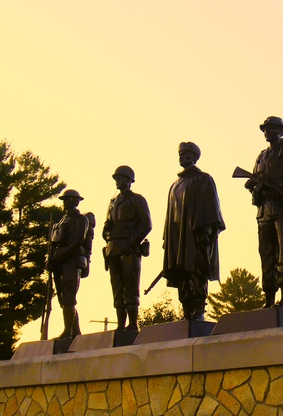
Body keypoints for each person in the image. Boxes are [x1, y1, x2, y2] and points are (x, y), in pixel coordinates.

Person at [244, 116, 283, 309]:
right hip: (265, 211)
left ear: (281, 131)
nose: (267, 132)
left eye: (271, 129)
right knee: (267, 256)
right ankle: (269, 298)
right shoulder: (261, 156)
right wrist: (252, 186)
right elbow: (256, 179)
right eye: (265, 129)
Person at [163, 142, 225, 321]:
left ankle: (198, 309)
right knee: (180, 272)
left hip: (195, 234)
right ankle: (186, 310)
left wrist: (206, 231)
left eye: (186, 154)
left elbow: (211, 206)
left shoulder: (203, 179)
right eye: (180, 154)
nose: (182, 157)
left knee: (195, 270)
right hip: (177, 236)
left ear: (194, 157)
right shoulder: (175, 184)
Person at [102, 165, 152, 331]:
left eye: (122, 178)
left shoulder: (137, 199)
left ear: (130, 181)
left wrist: (131, 243)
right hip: (113, 249)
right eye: (117, 178)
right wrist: (108, 235)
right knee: (117, 288)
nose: (119, 181)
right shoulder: (112, 203)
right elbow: (107, 226)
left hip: (129, 250)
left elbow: (146, 224)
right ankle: (121, 324)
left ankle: (132, 323)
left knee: (130, 287)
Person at [48, 189, 91, 339]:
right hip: (59, 263)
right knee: (63, 300)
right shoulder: (61, 221)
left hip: (72, 262)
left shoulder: (81, 219)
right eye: (64, 199)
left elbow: (77, 241)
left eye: (69, 199)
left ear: (76, 201)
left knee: (68, 298)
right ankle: (74, 331)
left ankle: (68, 331)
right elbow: (54, 244)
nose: (65, 202)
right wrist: (51, 259)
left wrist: (58, 256)